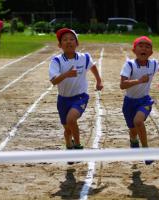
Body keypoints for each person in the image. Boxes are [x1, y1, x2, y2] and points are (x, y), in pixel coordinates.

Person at [49, 28, 103, 163]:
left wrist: (98, 80)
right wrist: (66, 74)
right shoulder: (57, 61)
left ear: (77, 43)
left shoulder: (84, 58)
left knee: (71, 119)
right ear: (60, 45)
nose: (69, 42)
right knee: (67, 129)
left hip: (80, 97)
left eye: (72, 39)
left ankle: (78, 146)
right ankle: (69, 145)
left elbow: (93, 66)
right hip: (63, 99)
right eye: (65, 40)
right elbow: (53, 81)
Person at [120, 36, 159, 165]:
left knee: (138, 122)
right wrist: (139, 81)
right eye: (140, 46)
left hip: (144, 101)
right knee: (133, 128)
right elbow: (122, 85)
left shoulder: (153, 64)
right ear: (134, 50)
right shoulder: (129, 65)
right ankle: (133, 139)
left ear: (151, 52)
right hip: (129, 102)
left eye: (147, 47)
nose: (144, 49)